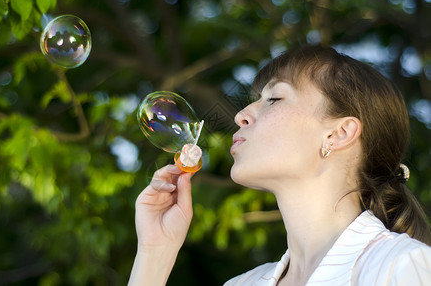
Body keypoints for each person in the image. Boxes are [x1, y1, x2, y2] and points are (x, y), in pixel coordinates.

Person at [128, 45, 431, 286]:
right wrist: (156, 252)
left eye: (273, 98)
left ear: (339, 134)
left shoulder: (400, 267)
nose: (241, 116)